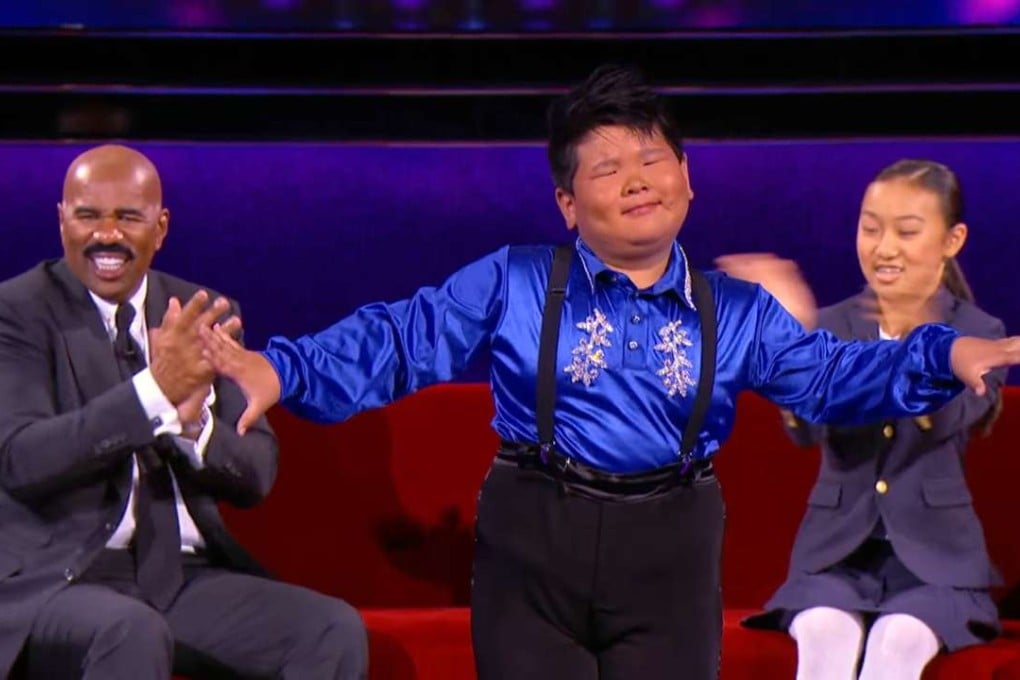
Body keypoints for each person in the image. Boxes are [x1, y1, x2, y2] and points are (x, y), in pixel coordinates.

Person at [200, 66, 1020, 680]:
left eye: (653, 160)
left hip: (672, 543)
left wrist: (943, 351)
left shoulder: (733, 309)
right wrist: (282, 371)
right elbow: (402, 339)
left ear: (688, 181)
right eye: (606, 167)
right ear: (566, 203)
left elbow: (835, 377)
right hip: (534, 539)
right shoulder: (517, 280)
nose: (636, 180)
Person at [0, 144, 368, 679]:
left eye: (128, 217)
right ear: (62, 222)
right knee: (129, 630)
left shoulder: (203, 312)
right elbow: (21, 460)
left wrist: (196, 426)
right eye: (87, 216)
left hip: (178, 577)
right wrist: (154, 393)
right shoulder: (16, 313)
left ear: (161, 226)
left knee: (330, 629)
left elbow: (256, 473)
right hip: (58, 578)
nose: (107, 235)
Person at [741, 160, 1006, 679]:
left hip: (937, 566)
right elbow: (806, 429)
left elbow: (949, 418)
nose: (884, 247)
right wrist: (792, 348)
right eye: (870, 227)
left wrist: (923, 342)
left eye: (907, 231)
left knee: (897, 642)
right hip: (834, 558)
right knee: (823, 633)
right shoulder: (832, 326)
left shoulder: (978, 330)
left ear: (953, 240)